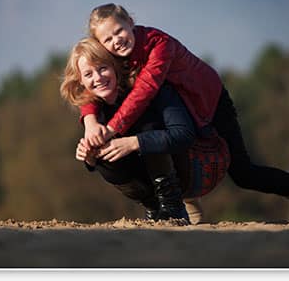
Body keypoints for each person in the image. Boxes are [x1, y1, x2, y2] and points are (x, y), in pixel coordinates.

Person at [76, 3, 289, 223]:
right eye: (107, 39)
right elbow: (86, 82)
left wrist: (111, 130)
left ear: (131, 22)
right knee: (156, 135)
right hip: (176, 107)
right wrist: (89, 120)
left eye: (119, 30)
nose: (115, 40)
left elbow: (145, 90)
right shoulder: (114, 59)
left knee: (242, 172)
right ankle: (182, 201)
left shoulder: (159, 45)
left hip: (210, 102)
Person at [60, 37, 193, 223]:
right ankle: (152, 205)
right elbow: (98, 159)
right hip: (145, 181)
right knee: (101, 149)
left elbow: (185, 136)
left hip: (188, 167)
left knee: (146, 122)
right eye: (88, 74)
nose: (98, 78)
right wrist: (90, 158)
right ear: (80, 81)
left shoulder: (145, 89)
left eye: (102, 68)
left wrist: (133, 143)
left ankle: (172, 206)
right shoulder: (94, 109)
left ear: (115, 67)